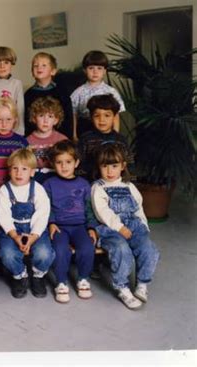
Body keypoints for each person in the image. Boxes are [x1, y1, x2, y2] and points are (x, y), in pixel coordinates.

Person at [91, 143, 159, 310]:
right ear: (99, 167)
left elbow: (138, 208)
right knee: (121, 249)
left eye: (114, 166)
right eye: (105, 166)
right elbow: (103, 212)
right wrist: (120, 227)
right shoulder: (98, 187)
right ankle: (122, 286)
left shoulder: (129, 186)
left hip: (134, 225)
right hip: (110, 229)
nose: (109, 171)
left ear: (123, 166)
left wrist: (143, 226)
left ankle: (142, 283)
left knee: (149, 249)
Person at [42, 140, 97, 303]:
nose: (64, 166)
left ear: (76, 163)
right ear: (53, 164)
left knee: (87, 247)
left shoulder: (84, 184)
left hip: (79, 226)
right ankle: (61, 282)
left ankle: (84, 279)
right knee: (60, 249)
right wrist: (51, 222)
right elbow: (45, 207)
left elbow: (89, 208)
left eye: (68, 162)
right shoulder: (49, 184)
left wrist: (91, 227)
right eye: (59, 162)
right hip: (59, 226)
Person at [0, 148, 55, 298]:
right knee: (7, 254)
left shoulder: (38, 190)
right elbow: (3, 216)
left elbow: (42, 215)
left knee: (44, 253)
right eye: (15, 168)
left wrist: (33, 237)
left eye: (24, 169)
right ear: (9, 171)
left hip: (35, 230)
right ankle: (20, 275)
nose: (19, 173)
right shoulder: (4, 191)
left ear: (32, 172)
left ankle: (37, 275)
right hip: (11, 230)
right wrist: (15, 236)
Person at [71, 50, 125, 140]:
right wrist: (74, 135)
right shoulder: (78, 92)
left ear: (104, 71)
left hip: (106, 130)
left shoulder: (111, 91)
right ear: (85, 70)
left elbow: (116, 115)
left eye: (99, 68)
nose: (95, 72)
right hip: (85, 129)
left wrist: (115, 135)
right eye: (91, 68)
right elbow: (74, 115)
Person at [77, 94, 132, 181]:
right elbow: (79, 165)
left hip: (116, 182)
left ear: (114, 117)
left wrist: (128, 182)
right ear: (91, 117)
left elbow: (129, 163)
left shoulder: (120, 140)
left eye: (107, 115)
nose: (101, 119)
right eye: (97, 116)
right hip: (92, 183)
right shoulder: (86, 139)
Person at [24, 52, 73, 138]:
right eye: (36, 66)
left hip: (59, 138)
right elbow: (27, 120)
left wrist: (67, 138)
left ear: (53, 71)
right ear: (32, 72)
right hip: (37, 139)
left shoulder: (62, 91)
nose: (39, 67)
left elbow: (68, 117)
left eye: (44, 65)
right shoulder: (28, 94)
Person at [26, 96, 68, 183]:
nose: (45, 120)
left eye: (50, 116)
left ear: (56, 120)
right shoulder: (26, 141)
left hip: (56, 178)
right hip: (35, 179)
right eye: (41, 116)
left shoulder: (62, 140)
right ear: (34, 118)